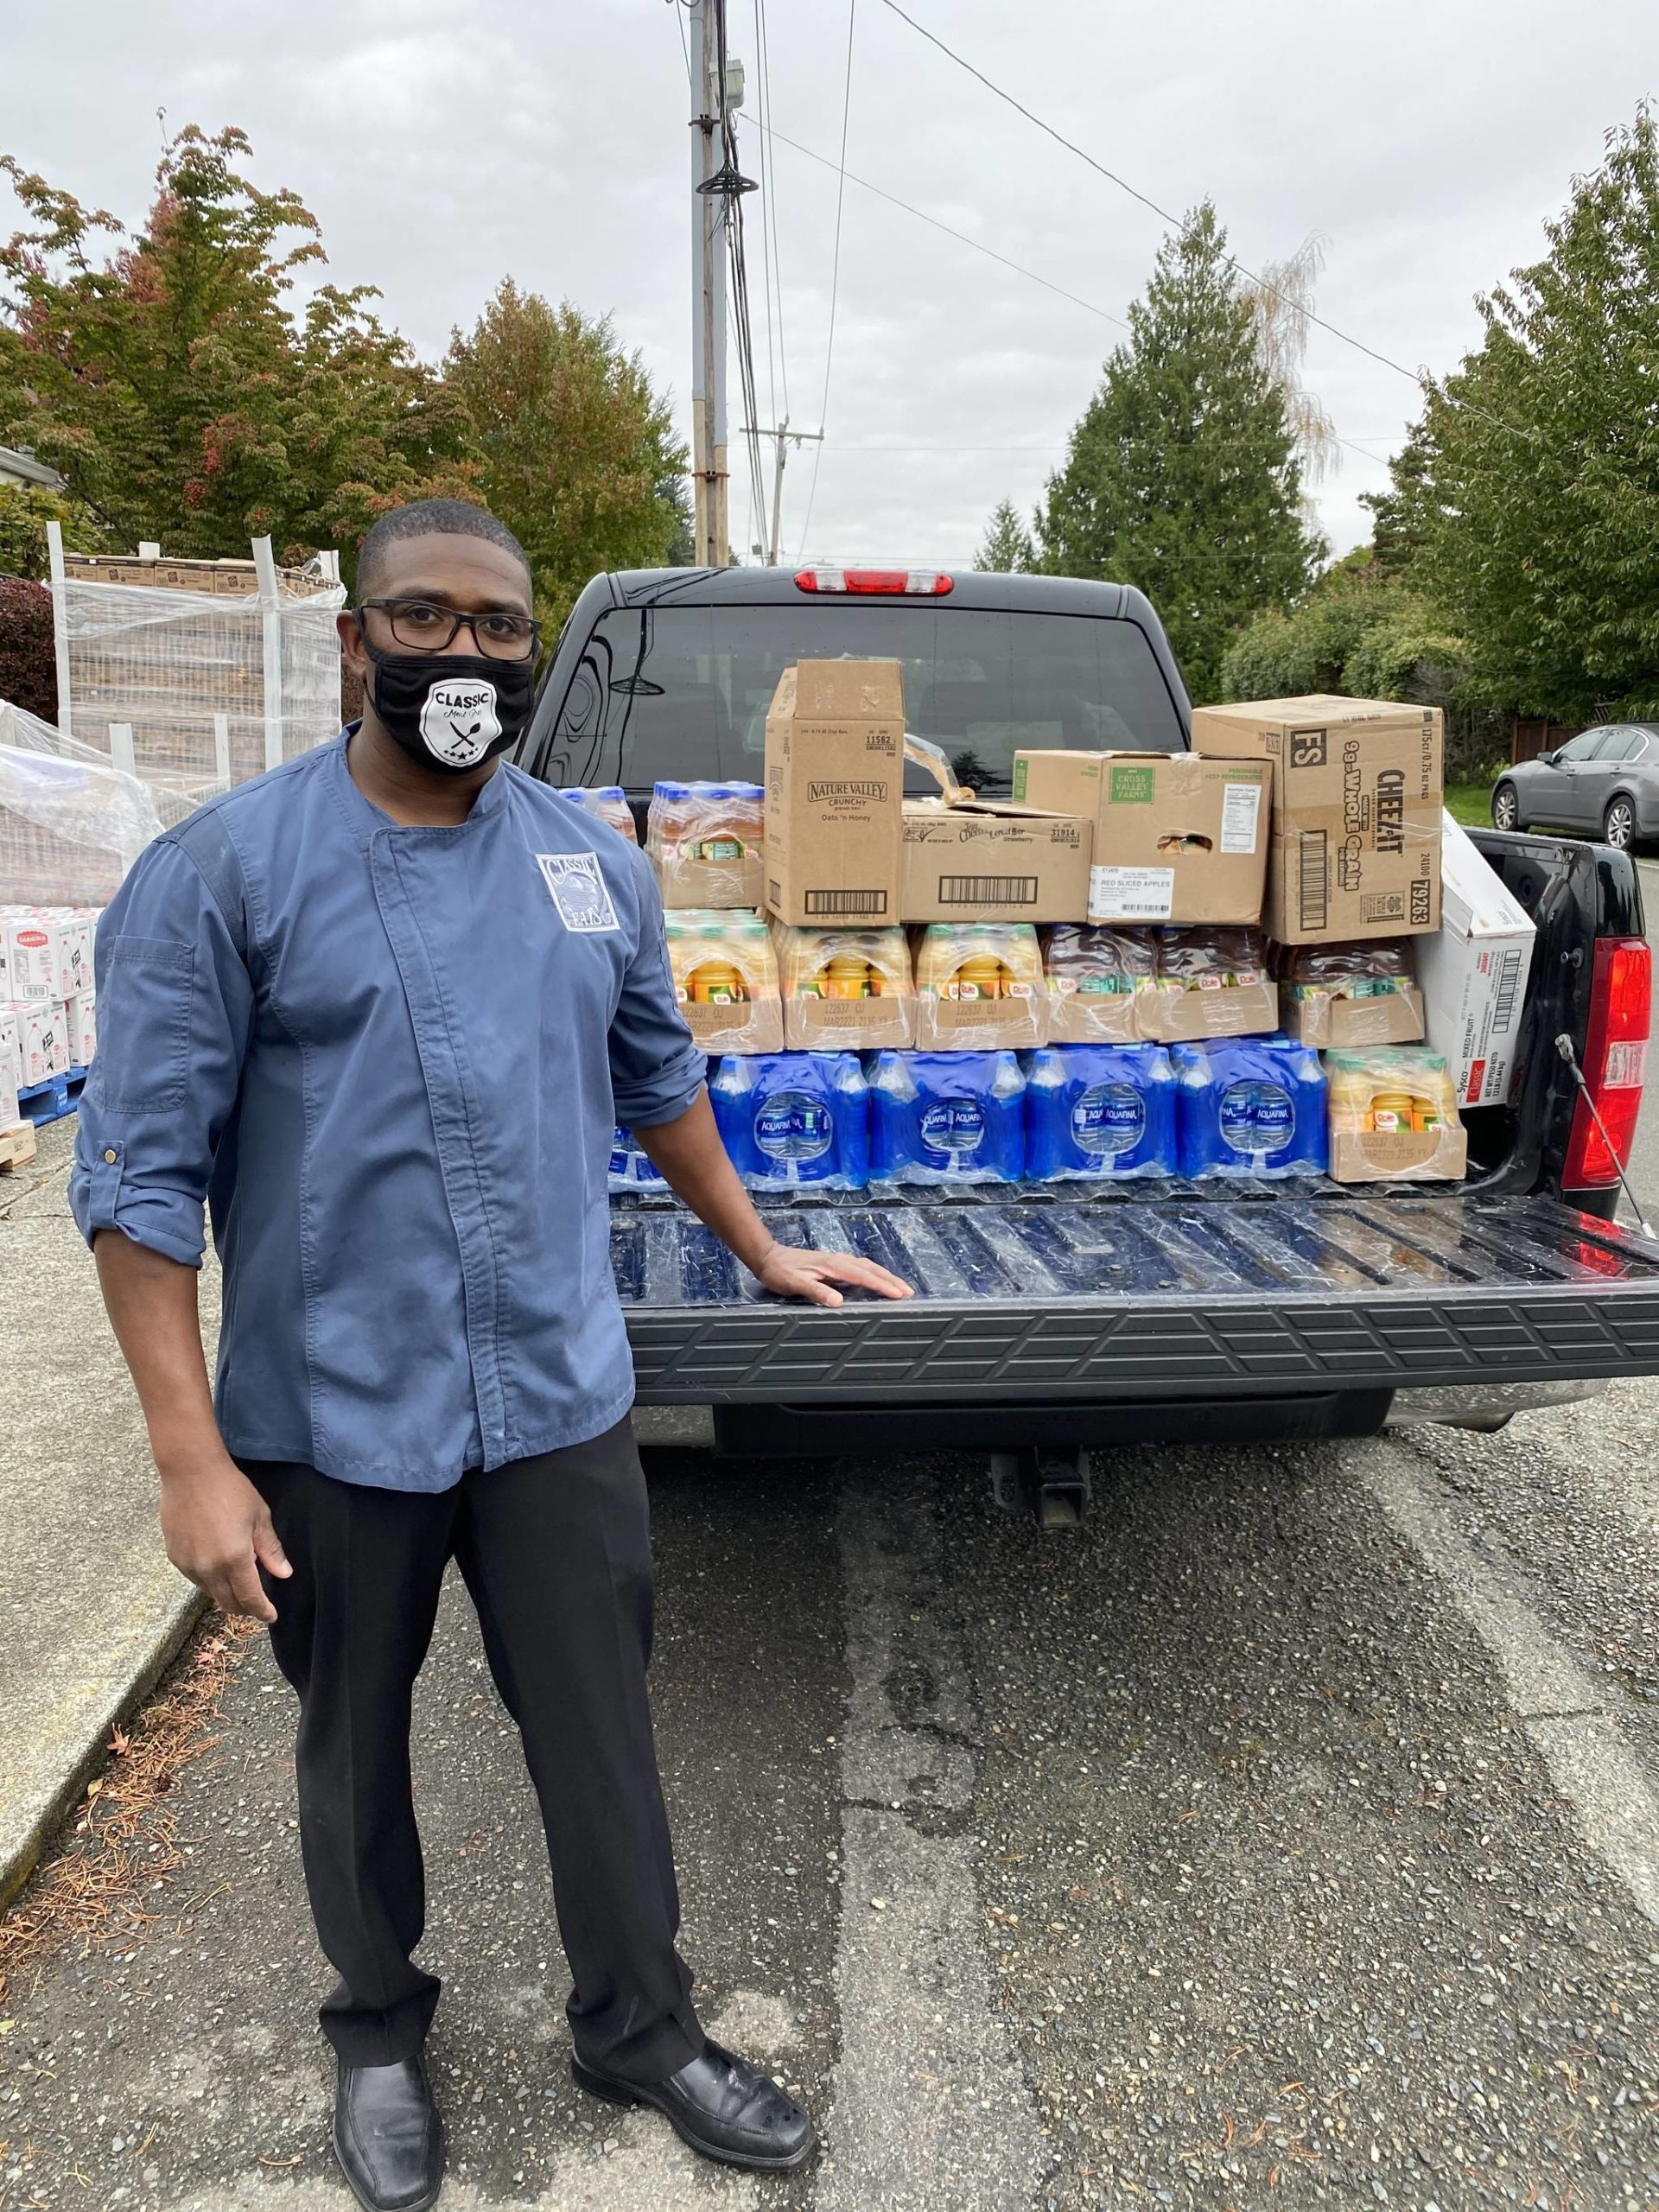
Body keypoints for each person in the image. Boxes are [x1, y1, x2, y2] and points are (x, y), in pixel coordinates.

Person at [69, 499, 912, 2212]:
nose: (465, 653)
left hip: (553, 1396)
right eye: (425, 618)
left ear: (532, 651)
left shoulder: (589, 863)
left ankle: (641, 2024)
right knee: (351, 1746)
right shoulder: (222, 874)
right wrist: (188, 1457)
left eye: (499, 627)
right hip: (332, 1411)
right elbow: (141, 1182)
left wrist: (760, 1246)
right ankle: (377, 2026)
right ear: (354, 640)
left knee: (601, 1733)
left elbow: (657, 1077)